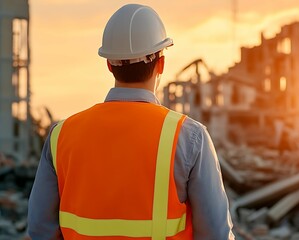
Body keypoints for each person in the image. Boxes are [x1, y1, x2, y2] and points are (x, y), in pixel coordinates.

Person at [28, 4, 234, 240]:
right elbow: (215, 234)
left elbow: (40, 228)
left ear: (108, 65)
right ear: (161, 64)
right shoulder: (189, 137)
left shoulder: (61, 135)